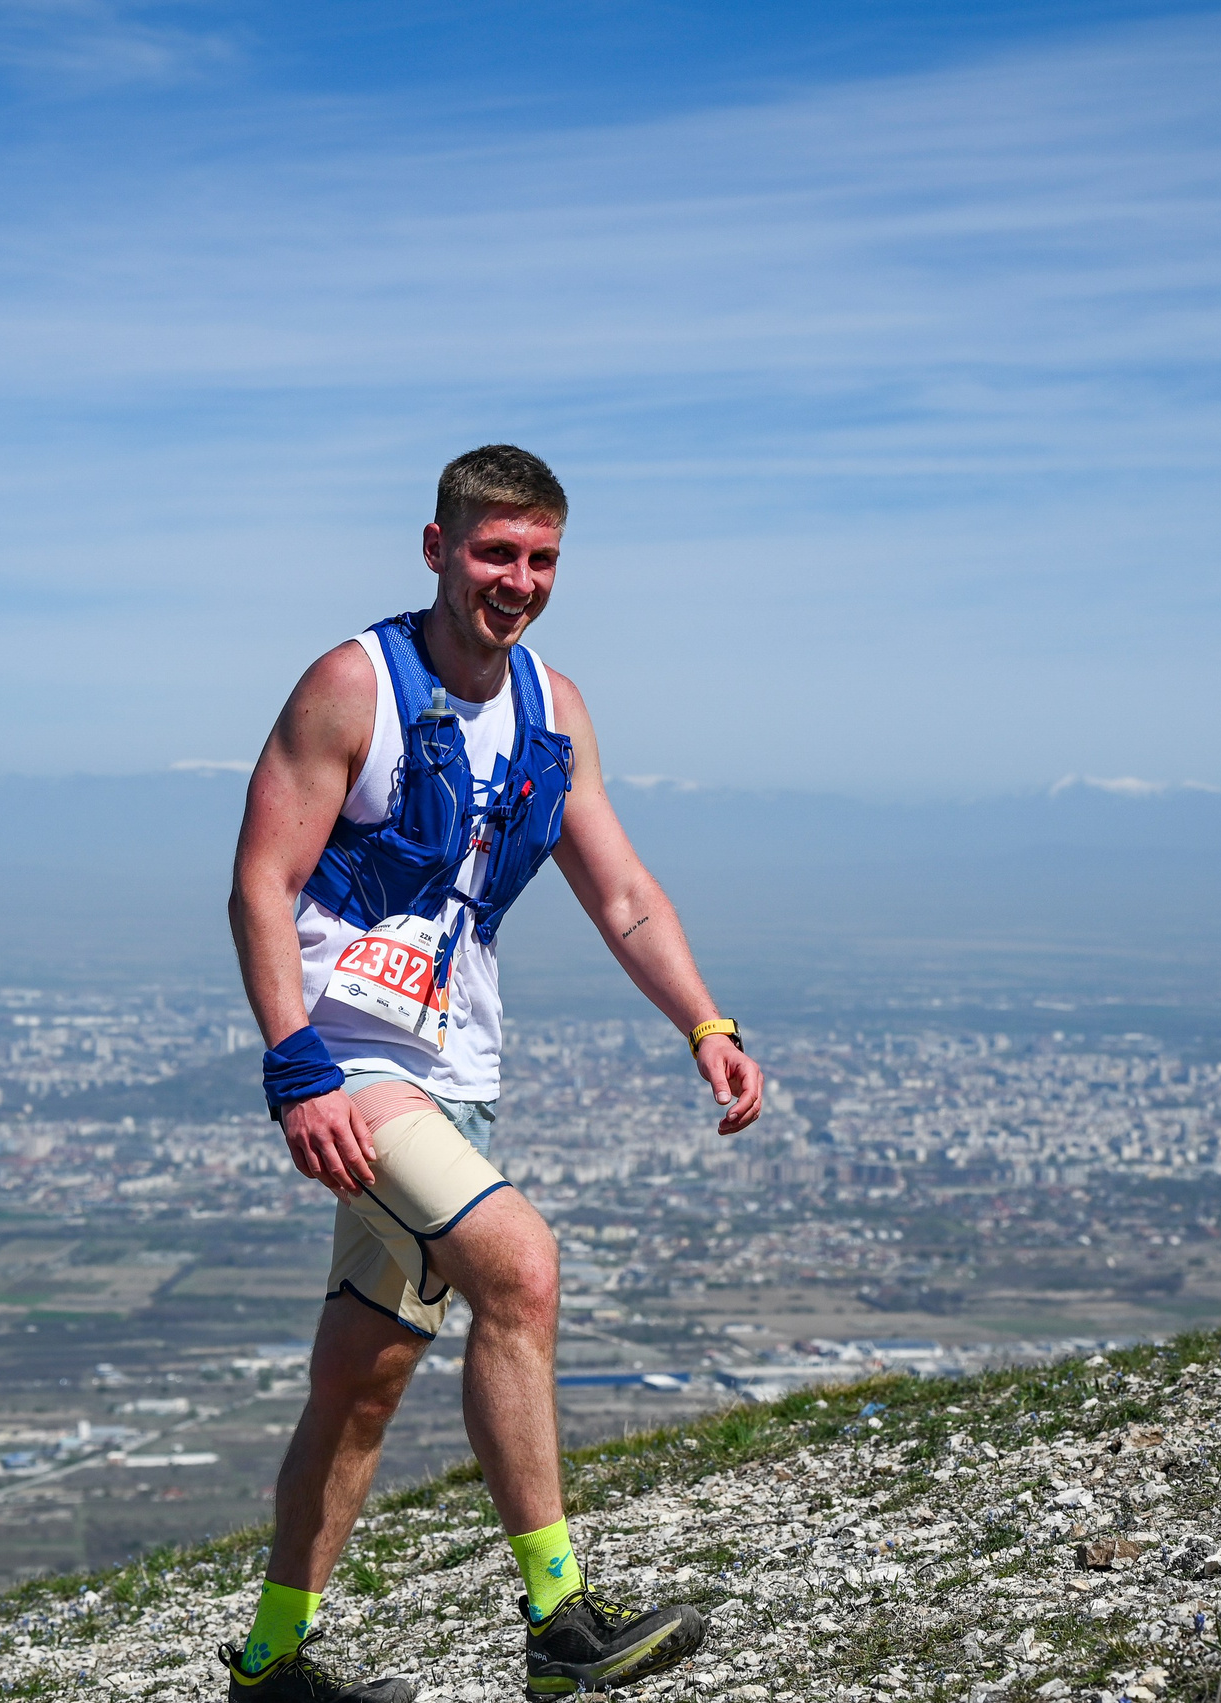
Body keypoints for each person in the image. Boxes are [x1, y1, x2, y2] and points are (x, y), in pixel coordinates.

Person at [226, 446, 766, 1703]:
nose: (515, 581)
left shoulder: (551, 708)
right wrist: (299, 1070)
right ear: (434, 548)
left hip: (456, 1066)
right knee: (521, 1267)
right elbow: (260, 883)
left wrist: (705, 1021)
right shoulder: (348, 687)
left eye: (539, 560)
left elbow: (620, 892)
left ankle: (268, 1666)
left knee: (359, 1391)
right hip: (352, 1064)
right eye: (491, 553)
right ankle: (561, 1620)